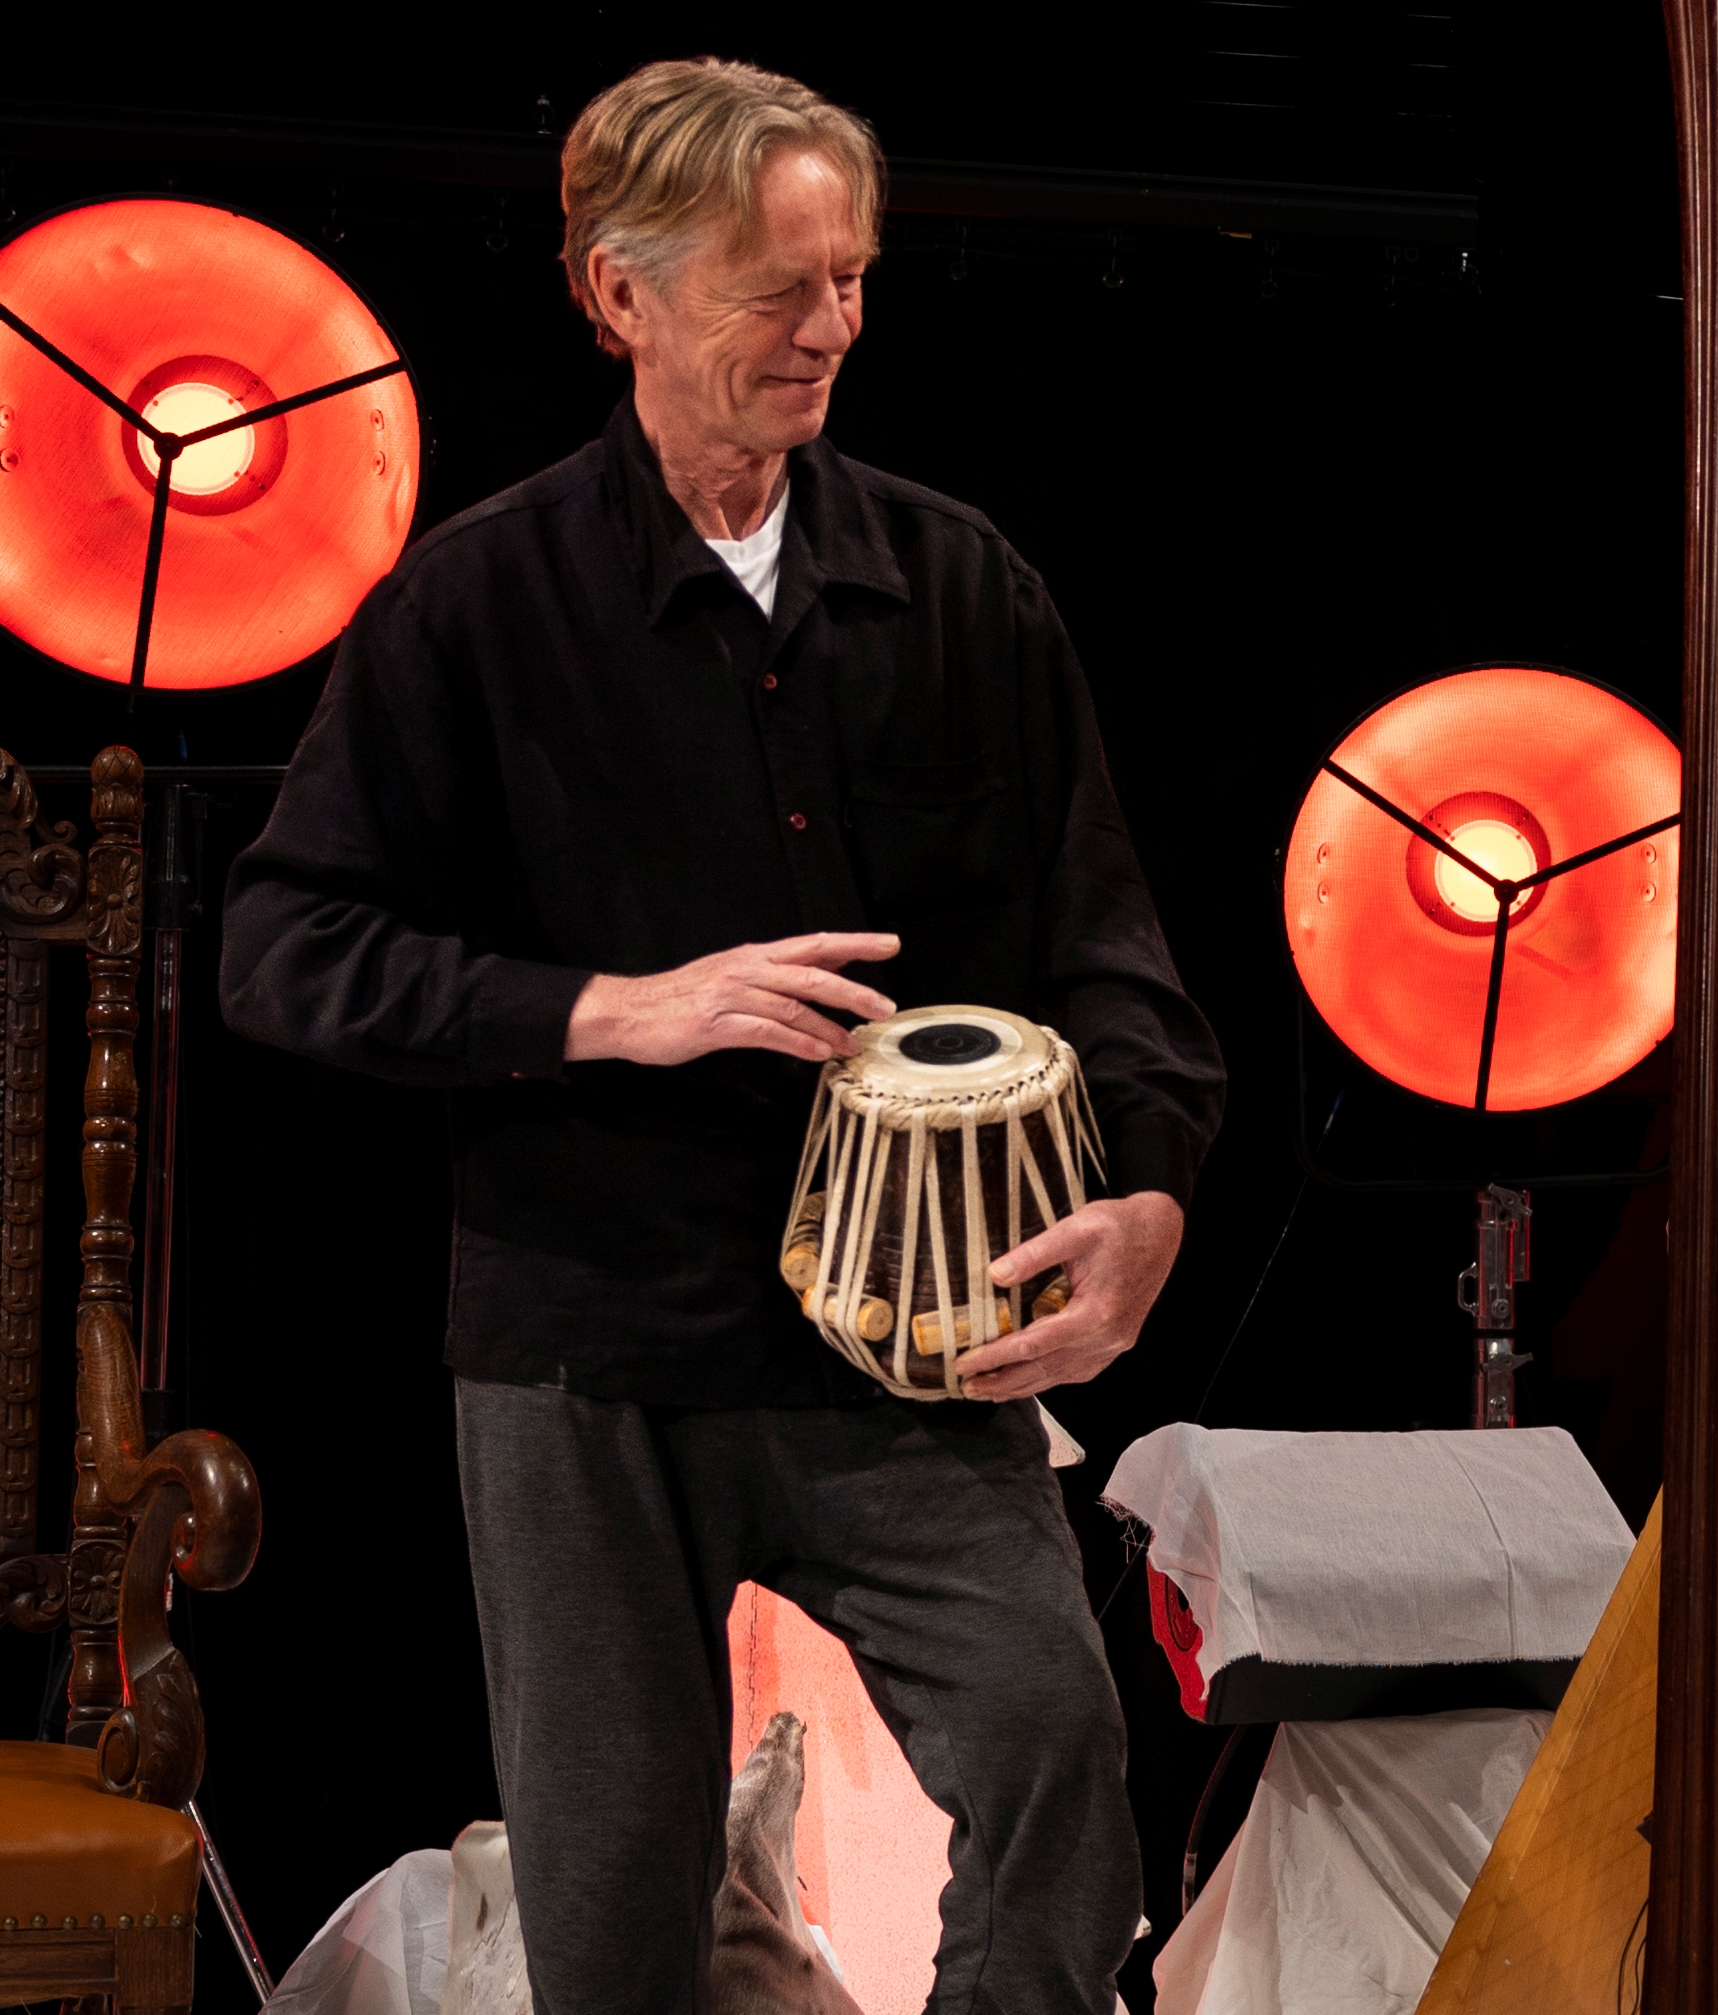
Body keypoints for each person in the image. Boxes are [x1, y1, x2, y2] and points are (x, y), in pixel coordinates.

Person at [219, 59, 1222, 2014]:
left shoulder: (962, 587)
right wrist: (612, 1009)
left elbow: (1110, 949)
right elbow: (282, 944)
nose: (832, 325)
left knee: (1053, 1758)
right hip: (586, 1358)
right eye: (782, 285)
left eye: (851, 278)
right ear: (622, 293)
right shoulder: (476, 603)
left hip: (903, 1356)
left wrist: (1152, 1201)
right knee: (613, 1918)